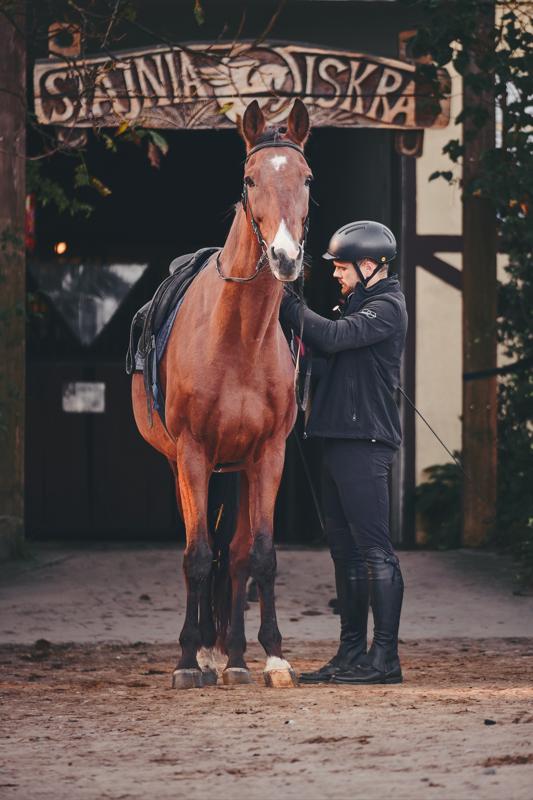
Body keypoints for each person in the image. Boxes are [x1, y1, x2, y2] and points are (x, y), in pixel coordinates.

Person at [280, 220, 408, 685]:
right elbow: (322, 355)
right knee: (345, 555)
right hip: (335, 438)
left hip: (364, 442)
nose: (335, 273)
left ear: (368, 265)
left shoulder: (386, 306)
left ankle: (385, 659)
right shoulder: (352, 305)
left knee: (375, 552)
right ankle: (351, 652)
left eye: (341, 266)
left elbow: (333, 338)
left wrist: (284, 301)